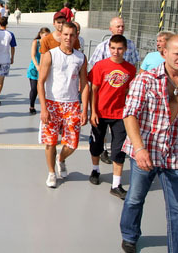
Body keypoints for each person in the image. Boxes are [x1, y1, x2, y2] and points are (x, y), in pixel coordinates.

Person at [119, 35, 178, 253]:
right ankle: (130, 235)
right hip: (146, 151)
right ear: (165, 53)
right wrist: (140, 148)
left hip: (177, 154)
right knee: (135, 199)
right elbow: (130, 114)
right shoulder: (145, 80)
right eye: (177, 54)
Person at [38, 22, 88, 188]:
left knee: (73, 143)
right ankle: (51, 173)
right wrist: (44, 108)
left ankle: (61, 159)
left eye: (72, 35)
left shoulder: (80, 58)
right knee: (50, 142)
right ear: (60, 35)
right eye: (65, 34)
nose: (68, 38)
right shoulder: (50, 55)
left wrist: (84, 109)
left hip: (72, 104)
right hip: (53, 103)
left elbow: (84, 84)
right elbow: (41, 82)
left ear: (76, 36)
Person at [87, 35, 136, 199]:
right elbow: (93, 90)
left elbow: (130, 92)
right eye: (113, 48)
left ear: (125, 49)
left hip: (119, 115)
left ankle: (116, 184)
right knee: (96, 145)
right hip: (100, 113)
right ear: (109, 48)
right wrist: (92, 112)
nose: (116, 51)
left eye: (120, 48)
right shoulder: (100, 66)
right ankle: (95, 170)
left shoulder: (130, 69)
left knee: (119, 149)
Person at [88, 16, 140, 164]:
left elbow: (134, 67)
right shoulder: (102, 47)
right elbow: (96, 70)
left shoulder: (131, 45)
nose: (120, 29)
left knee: (118, 134)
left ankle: (116, 159)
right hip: (105, 96)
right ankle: (102, 150)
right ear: (110, 29)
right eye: (117, 26)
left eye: (122, 26)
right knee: (100, 132)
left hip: (121, 96)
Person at [0, 16, 17, 105]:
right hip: (5, 59)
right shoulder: (10, 34)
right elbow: (13, 47)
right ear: (7, 24)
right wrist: (12, 57)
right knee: (1, 80)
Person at [26, 27, 51, 114]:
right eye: (45, 35)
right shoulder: (36, 42)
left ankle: (46, 106)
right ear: (40, 35)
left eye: (48, 36)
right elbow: (33, 55)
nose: (47, 37)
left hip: (45, 69)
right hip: (34, 68)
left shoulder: (49, 44)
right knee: (34, 88)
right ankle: (31, 106)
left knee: (45, 88)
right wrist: (37, 65)